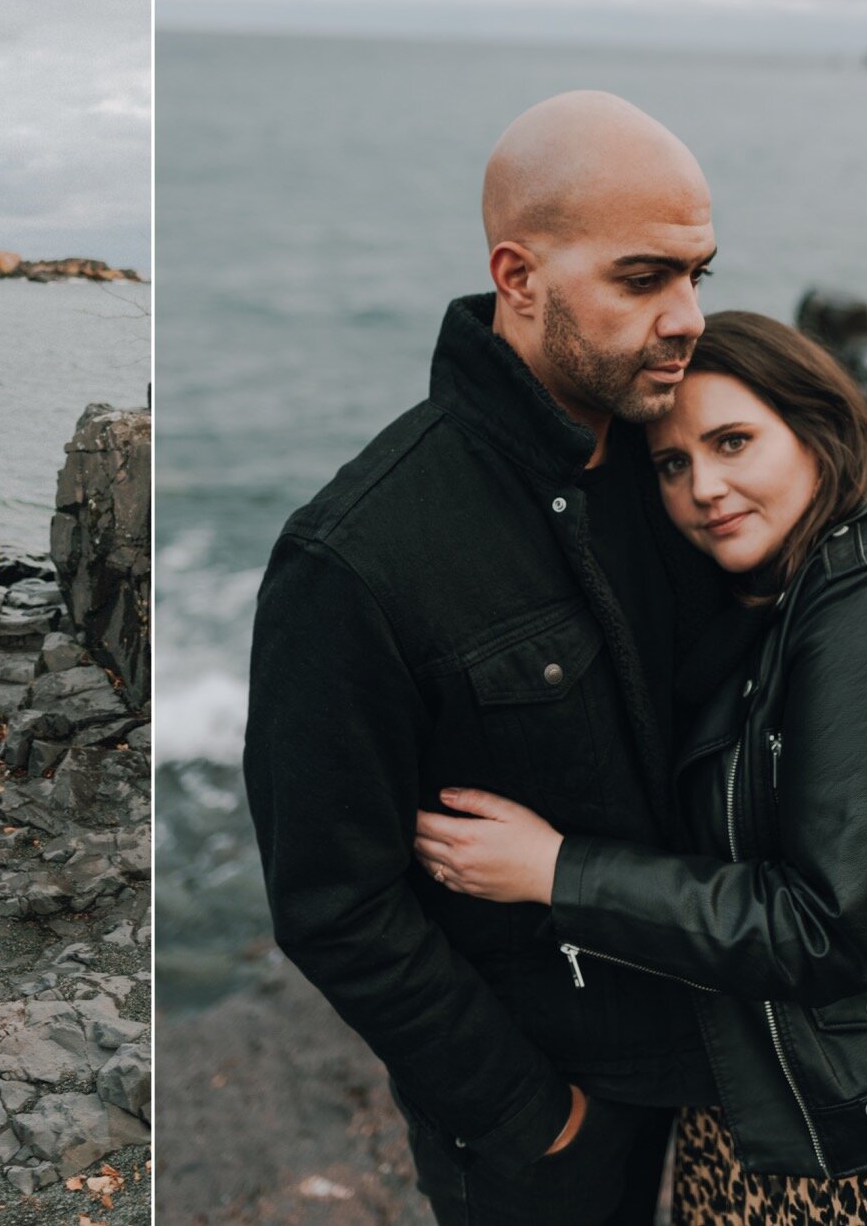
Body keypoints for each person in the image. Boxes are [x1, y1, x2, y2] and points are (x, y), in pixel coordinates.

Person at [416, 310, 867, 1223]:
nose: (705, 486)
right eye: (672, 463)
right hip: (854, 1084)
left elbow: (828, 928)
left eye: (733, 441)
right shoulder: (796, 584)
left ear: (817, 429)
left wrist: (554, 870)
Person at [244, 91, 727, 1225]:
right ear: (518, 277)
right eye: (645, 277)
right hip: (541, 1111)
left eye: (700, 272)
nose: (690, 314)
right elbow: (330, 900)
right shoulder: (356, 555)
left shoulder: (682, 473)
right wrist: (528, 1112)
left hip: (709, 1041)